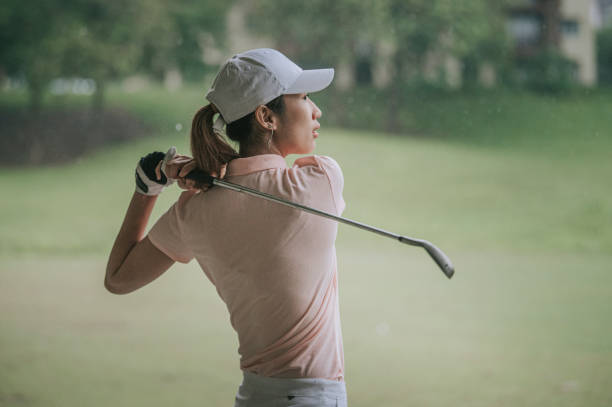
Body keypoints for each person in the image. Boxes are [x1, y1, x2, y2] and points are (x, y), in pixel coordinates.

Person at [105, 48, 348, 406]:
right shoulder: (320, 180)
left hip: (251, 397)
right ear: (266, 116)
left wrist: (148, 188)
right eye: (304, 97)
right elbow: (259, 178)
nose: (316, 110)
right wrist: (207, 170)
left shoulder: (194, 207)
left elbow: (118, 278)